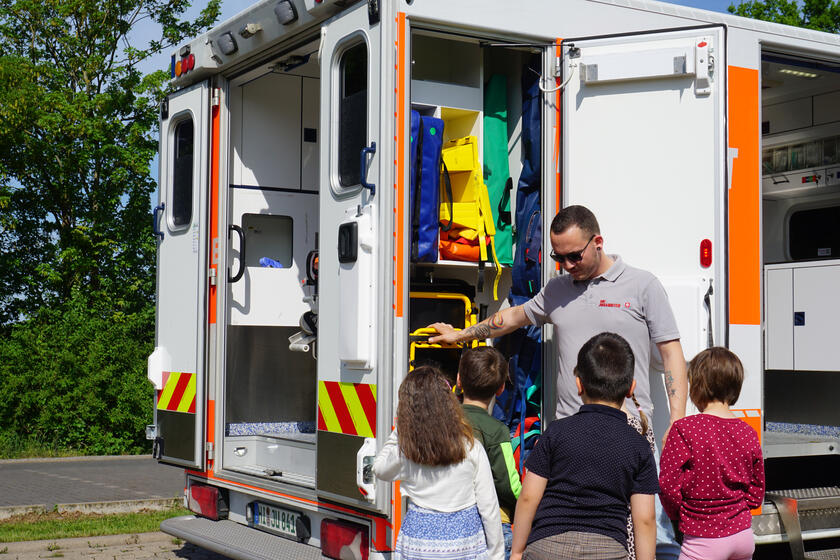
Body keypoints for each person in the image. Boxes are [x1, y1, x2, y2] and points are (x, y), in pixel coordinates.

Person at [429, 204, 687, 557]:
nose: (566, 266)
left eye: (574, 256)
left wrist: (678, 420)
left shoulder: (643, 285)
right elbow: (515, 317)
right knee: (571, 537)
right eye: (558, 257)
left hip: (629, 433)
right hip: (571, 435)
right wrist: (463, 335)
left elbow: (672, 353)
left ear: (598, 241)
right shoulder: (558, 288)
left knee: (653, 535)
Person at [510, 332, 658, 560]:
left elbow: (529, 497)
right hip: (608, 550)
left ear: (579, 384)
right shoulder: (637, 444)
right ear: (631, 389)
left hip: (548, 546)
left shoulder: (556, 432)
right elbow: (645, 519)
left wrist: (518, 551)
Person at [372, 366, 504, 560]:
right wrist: (496, 554)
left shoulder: (407, 452)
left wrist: (400, 431)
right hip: (463, 543)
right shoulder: (471, 447)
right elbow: (489, 508)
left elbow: (379, 468)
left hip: (420, 544)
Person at [659, 347, 765, 560]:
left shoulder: (684, 429)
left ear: (696, 387)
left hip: (703, 538)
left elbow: (668, 484)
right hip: (743, 536)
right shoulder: (748, 432)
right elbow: (757, 490)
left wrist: (679, 513)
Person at [458, 347, 522, 560]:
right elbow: (508, 484)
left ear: (459, 380)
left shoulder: (442, 421)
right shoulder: (497, 430)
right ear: (501, 388)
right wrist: (525, 504)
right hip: (492, 527)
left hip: (452, 523)